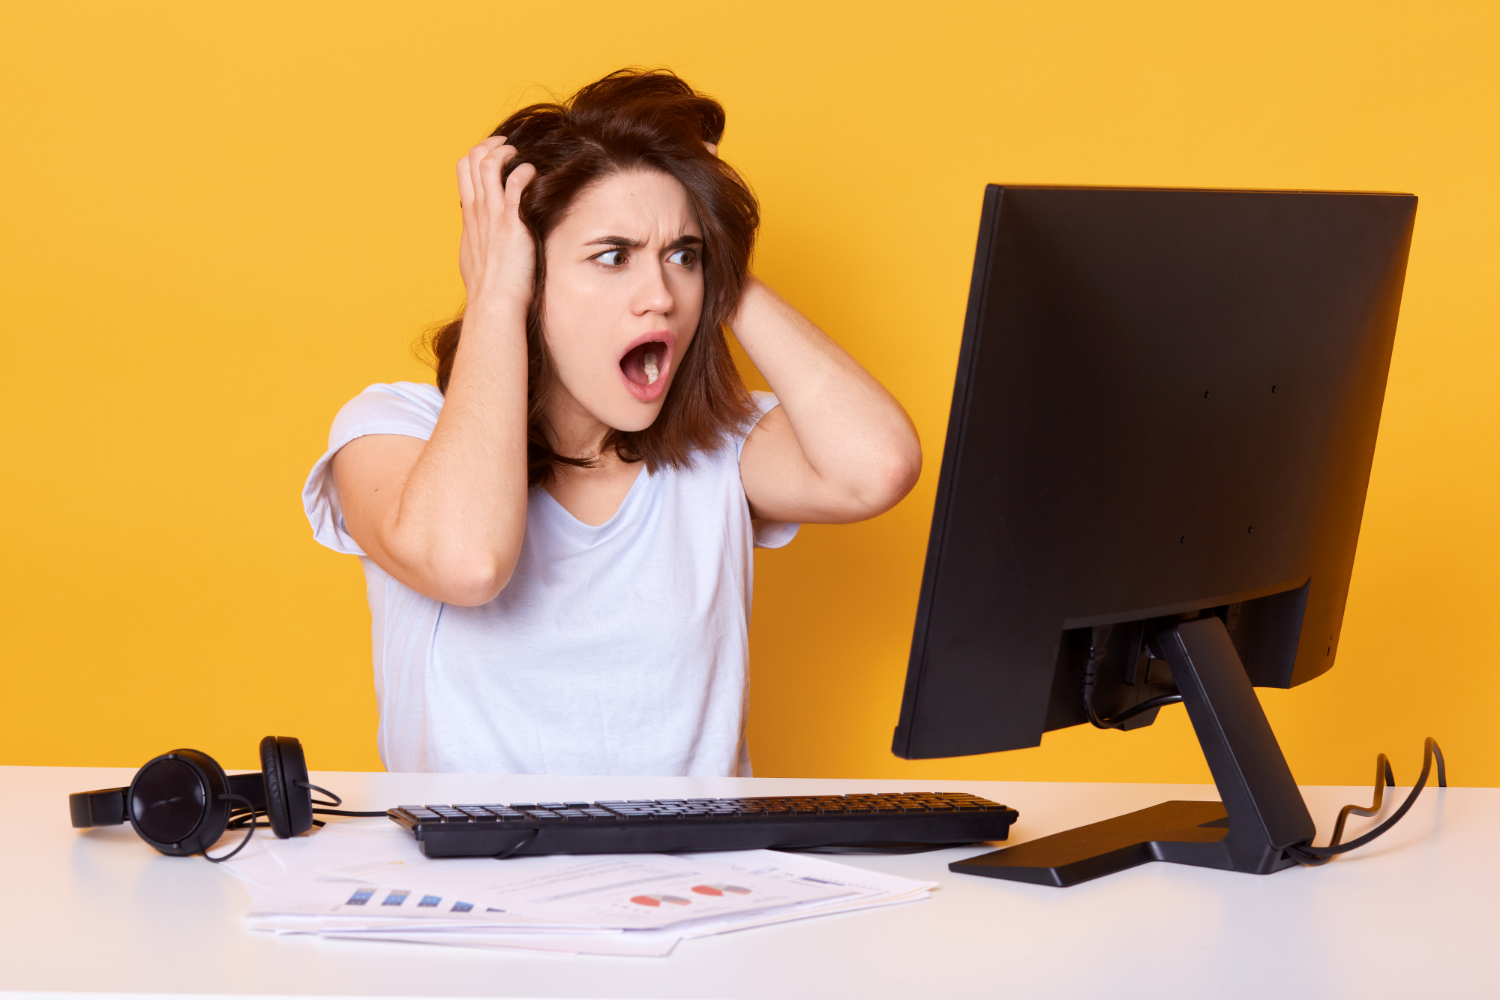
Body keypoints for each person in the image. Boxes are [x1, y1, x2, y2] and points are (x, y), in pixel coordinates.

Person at [302, 69, 921, 776]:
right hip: (481, 880)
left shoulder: (719, 449)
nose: (659, 296)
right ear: (528, 272)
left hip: (698, 879)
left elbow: (878, 468)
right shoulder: (393, 429)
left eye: (682, 257)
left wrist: (721, 253)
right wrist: (497, 296)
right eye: (613, 257)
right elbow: (466, 563)